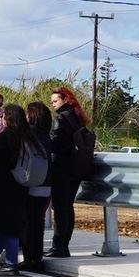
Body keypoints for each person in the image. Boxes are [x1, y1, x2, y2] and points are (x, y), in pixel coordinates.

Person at [0, 103, 40, 272]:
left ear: (8, 119)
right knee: (12, 224)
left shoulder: (3, 138)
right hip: (21, 185)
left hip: (2, 185)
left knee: (2, 225)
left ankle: (9, 261)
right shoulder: (29, 138)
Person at [48, 85, 91, 258]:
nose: (53, 104)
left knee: (60, 208)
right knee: (67, 207)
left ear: (65, 100)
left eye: (55, 101)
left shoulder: (60, 119)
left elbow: (53, 143)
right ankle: (64, 245)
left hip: (61, 168)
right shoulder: (77, 116)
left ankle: (58, 246)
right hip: (76, 168)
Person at [21, 101, 55, 272]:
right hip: (46, 182)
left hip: (31, 181)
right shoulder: (47, 136)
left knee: (27, 221)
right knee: (38, 222)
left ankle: (29, 258)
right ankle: (37, 258)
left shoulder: (28, 134)